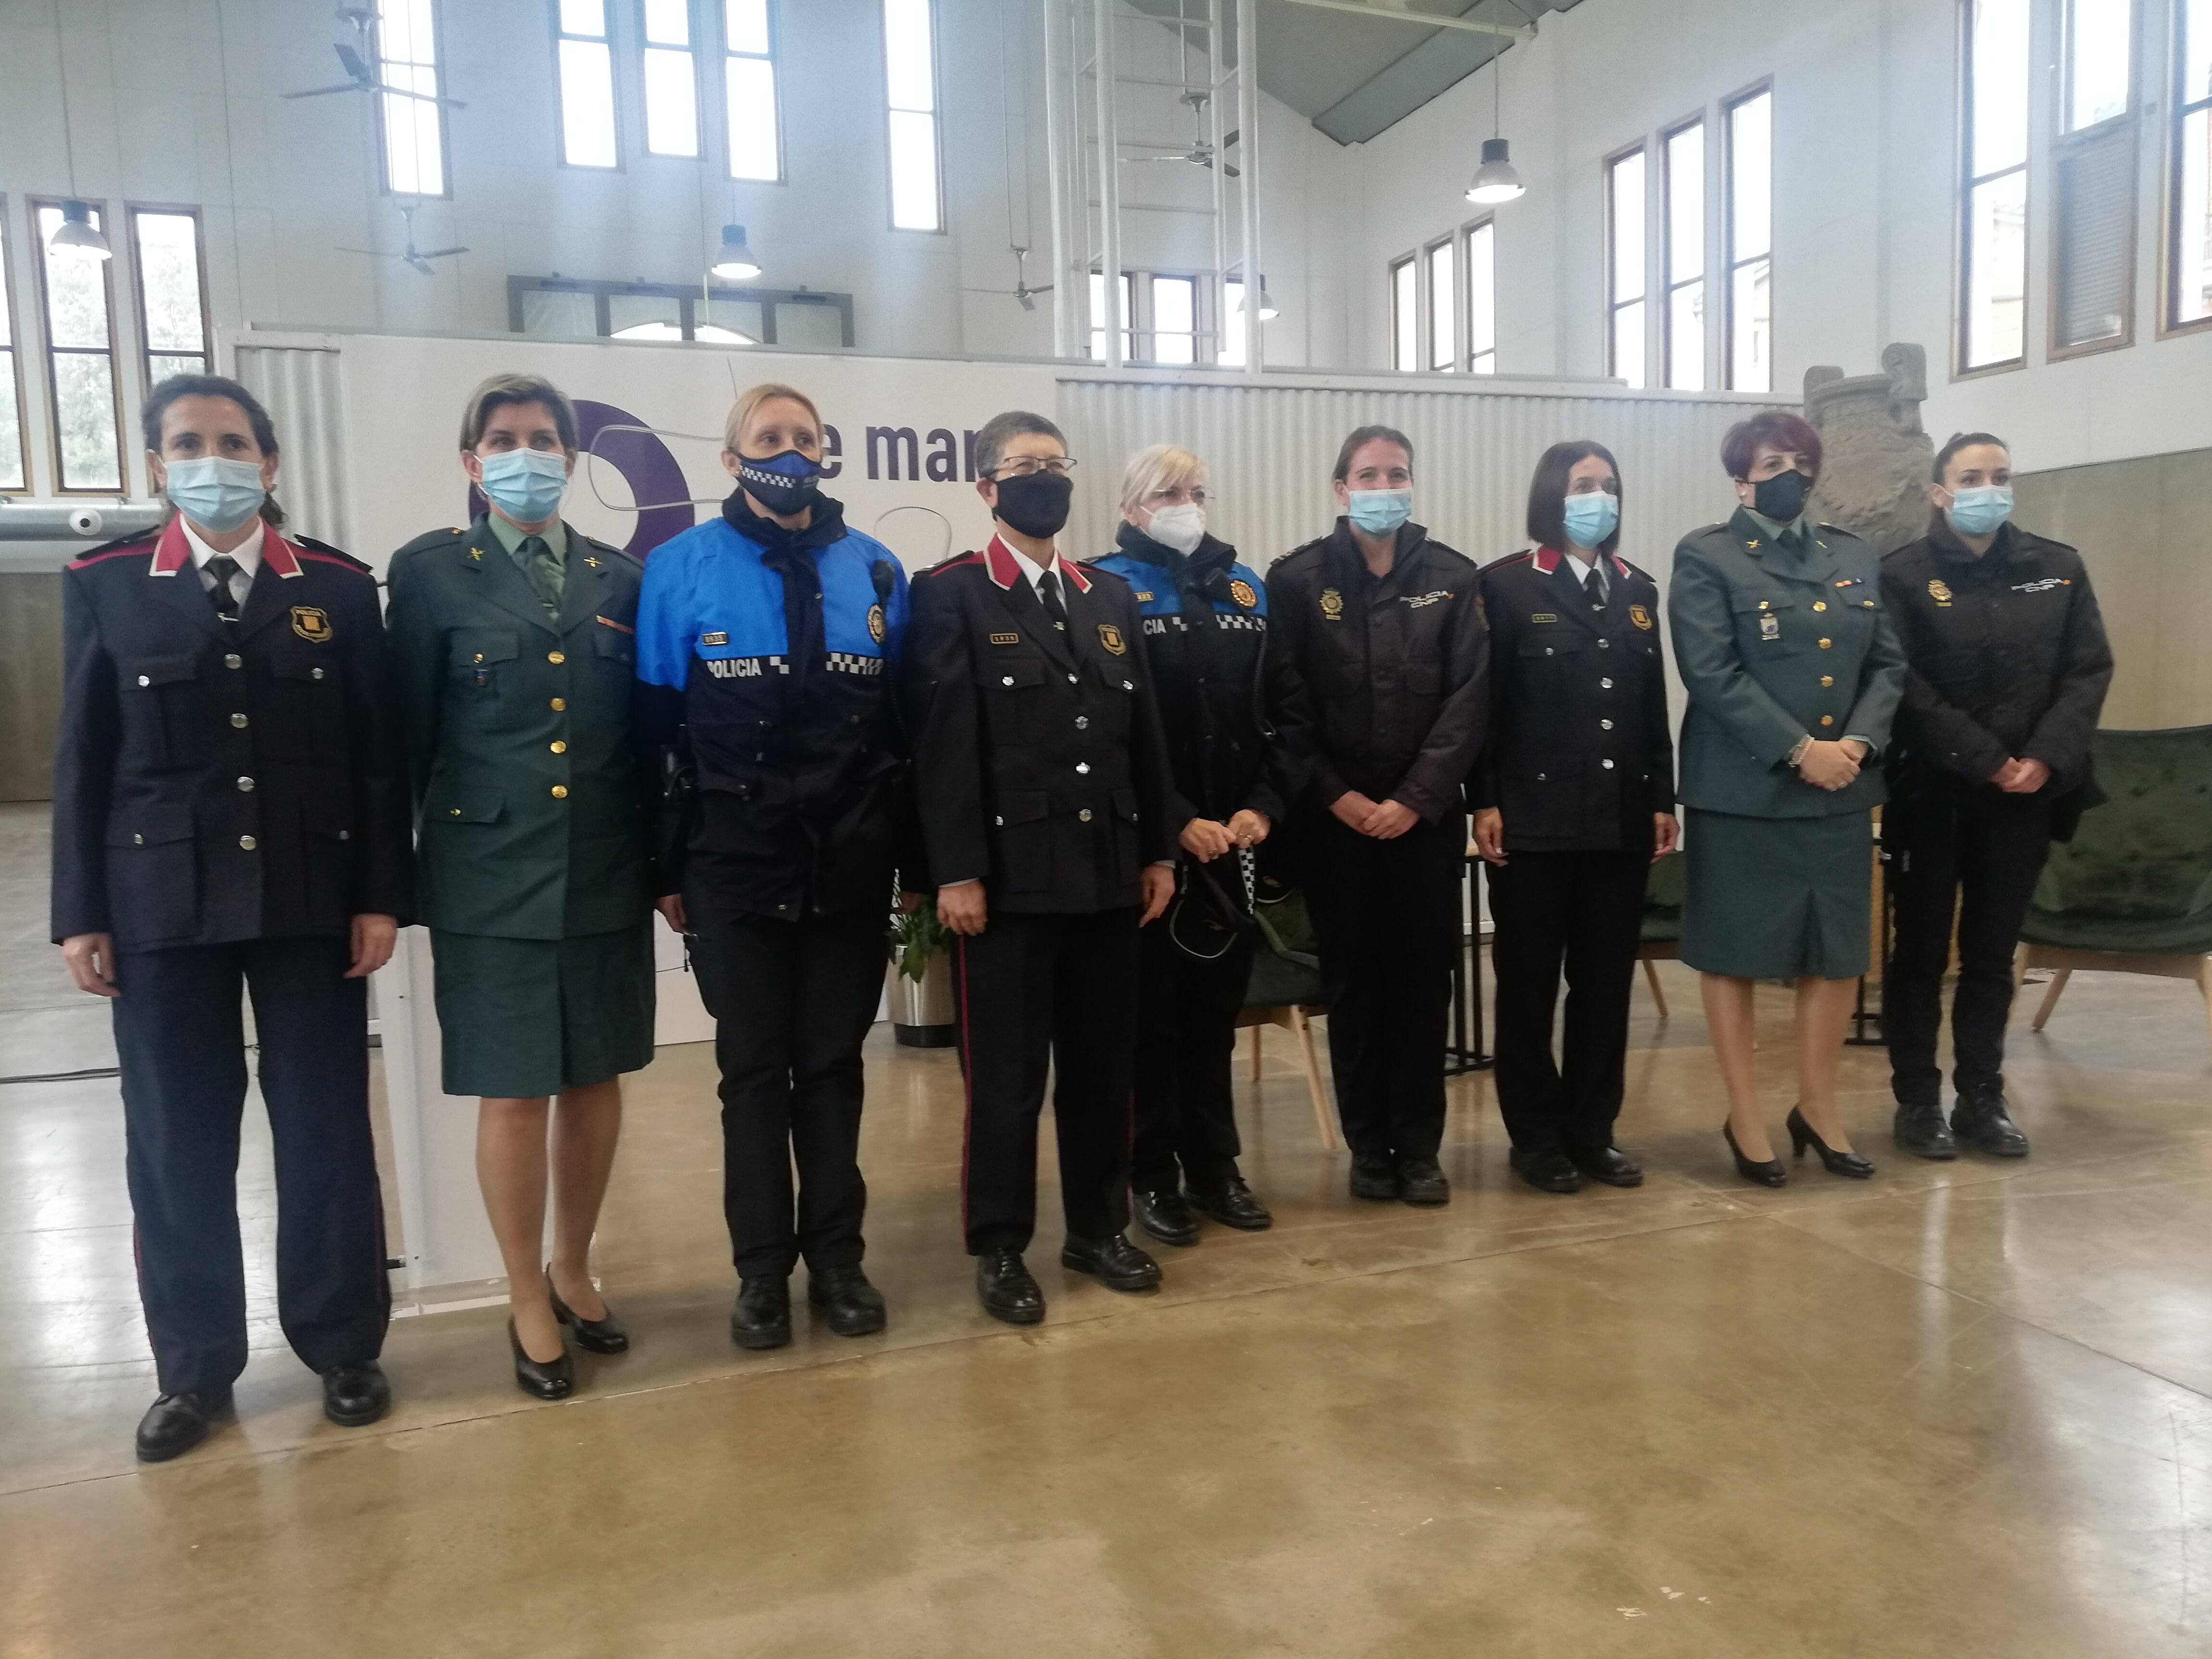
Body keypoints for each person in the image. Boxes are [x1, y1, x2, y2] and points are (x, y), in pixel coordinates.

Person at [51, 374, 412, 1462]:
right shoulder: (104, 582)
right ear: (159, 466)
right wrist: (81, 914)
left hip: (310, 902)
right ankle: (193, 1370)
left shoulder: (340, 590)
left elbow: (375, 760)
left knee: (326, 1134)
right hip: (159, 907)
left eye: (235, 443)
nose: (215, 461)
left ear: (270, 462)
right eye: (189, 444)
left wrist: (380, 895)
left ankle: (344, 1346)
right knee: (176, 1144)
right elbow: (83, 760)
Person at [387, 373, 655, 1400]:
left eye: (545, 439)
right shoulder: (428, 576)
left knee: (596, 1080)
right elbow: (404, 742)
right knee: (513, 1089)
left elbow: (641, 742)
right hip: (486, 872)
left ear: (573, 458)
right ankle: (522, 1293)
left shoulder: (617, 576)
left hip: (601, 863)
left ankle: (575, 1265)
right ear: (471, 461)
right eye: (504, 439)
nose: (526, 454)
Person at [637, 383, 914, 1350]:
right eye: (767, 438)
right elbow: (656, 739)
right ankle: (760, 1271)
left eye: (803, 437)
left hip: (848, 864)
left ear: (827, 452)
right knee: (752, 1073)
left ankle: (839, 1260)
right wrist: (664, 873)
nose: (787, 451)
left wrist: (908, 865)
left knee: (834, 1068)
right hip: (733, 867)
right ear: (732, 459)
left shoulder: (878, 571)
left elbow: (902, 733)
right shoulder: (678, 570)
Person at [902, 409, 1180, 1324]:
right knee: (1008, 1082)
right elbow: (941, 748)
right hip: (1010, 886)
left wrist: (1157, 853)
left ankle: (1098, 1231)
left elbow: (1143, 739)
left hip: (1106, 874)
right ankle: (1000, 1245)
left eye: (1057, 466)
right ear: (986, 487)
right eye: (1024, 467)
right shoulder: (950, 594)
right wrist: (955, 873)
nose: (1044, 481)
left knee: (1104, 1070)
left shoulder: (1107, 596)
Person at [1669, 410, 1906, 1187]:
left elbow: (1888, 667)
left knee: (1836, 957)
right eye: (1771, 463)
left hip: (1841, 787)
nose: (1789, 476)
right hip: (1744, 788)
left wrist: (1858, 747)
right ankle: (1745, 1113)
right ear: (1740, 479)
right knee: (1734, 956)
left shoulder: (1853, 555)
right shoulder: (1707, 556)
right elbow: (1711, 671)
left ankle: (1819, 1108)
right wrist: (1801, 750)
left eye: (1800, 462)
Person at [1263, 425, 1489, 1205]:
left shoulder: (1456, 579)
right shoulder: (1294, 581)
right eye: (1368, 474)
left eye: (1397, 473)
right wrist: (1341, 798)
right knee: (1354, 986)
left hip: (1423, 825)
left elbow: (1468, 704)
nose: (1384, 485)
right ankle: (1370, 1149)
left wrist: (1414, 800)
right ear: (1341, 489)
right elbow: (1285, 708)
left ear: (1413, 483)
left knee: (1425, 984)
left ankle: (1420, 1149)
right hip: (1336, 826)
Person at [1091, 444, 1308, 1246]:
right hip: (1150, 846)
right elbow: (1110, 730)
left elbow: (1290, 714)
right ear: (1133, 503)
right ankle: (1152, 1175)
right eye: (1168, 491)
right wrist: (1175, 817)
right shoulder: (1104, 587)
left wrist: (1265, 807)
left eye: (1197, 490)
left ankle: (1216, 1166)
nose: (1186, 502)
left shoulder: (1247, 588)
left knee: (1217, 1016)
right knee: (1150, 1022)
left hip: (1237, 844)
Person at [1880, 433, 2113, 1160]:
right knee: (1919, 952)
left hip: (2025, 795)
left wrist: (2042, 758)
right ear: (1939, 493)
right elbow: (1902, 681)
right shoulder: (1902, 575)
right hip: (1934, 791)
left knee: (1991, 953)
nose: (1990, 488)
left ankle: (1983, 1095)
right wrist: (1985, 758)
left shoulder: (2058, 567)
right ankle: (1918, 1099)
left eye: (2001, 475)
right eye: (1972, 476)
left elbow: (2088, 671)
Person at [1472, 441, 1676, 1194]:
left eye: (1609, 486)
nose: (1599, 498)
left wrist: (1662, 797)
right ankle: (1537, 1139)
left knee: (1604, 988)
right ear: (1551, 497)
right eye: (1584, 485)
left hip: (1619, 821)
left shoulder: (1636, 590)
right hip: (1534, 821)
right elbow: (1484, 709)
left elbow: (1652, 705)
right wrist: (1483, 799)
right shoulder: (1505, 587)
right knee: (1528, 988)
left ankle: (1594, 1132)